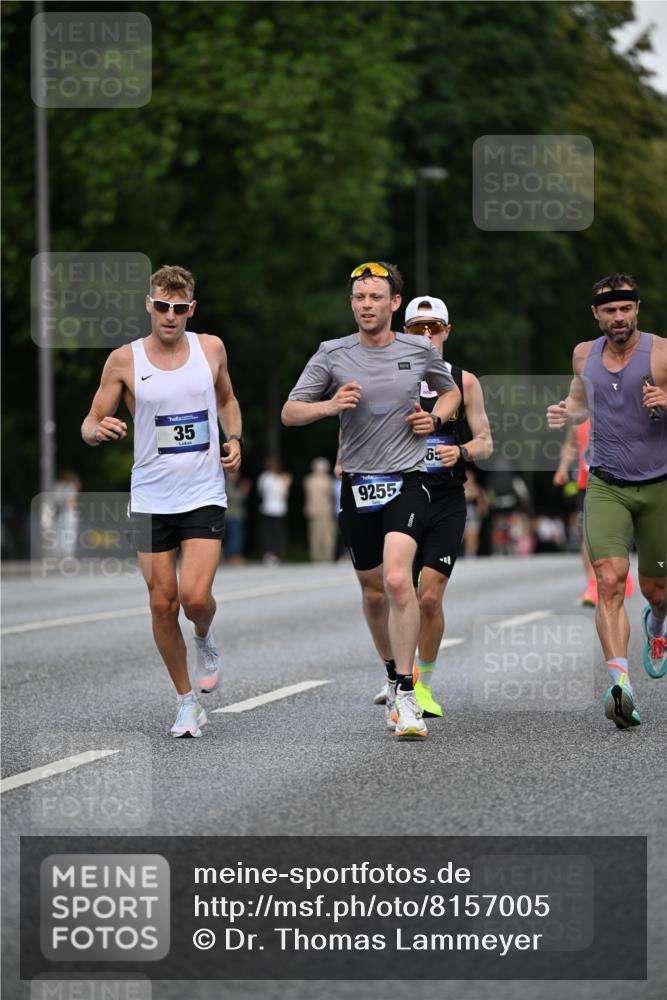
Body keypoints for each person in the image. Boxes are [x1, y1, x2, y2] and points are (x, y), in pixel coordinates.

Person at [282, 262, 461, 739]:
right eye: (360, 297)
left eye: (376, 297)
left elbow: (451, 392)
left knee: (400, 580)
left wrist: (435, 420)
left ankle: (406, 694)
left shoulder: (419, 349)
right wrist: (329, 405)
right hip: (358, 484)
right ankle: (390, 667)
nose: (366, 305)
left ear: (393, 303)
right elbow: (289, 411)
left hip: (407, 478)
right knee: (374, 590)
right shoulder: (332, 353)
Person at [81, 264, 243, 738]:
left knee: (194, 598)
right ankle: (186, 701)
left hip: (203, 491)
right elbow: (90, 421)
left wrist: (233, 438)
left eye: (179, 308)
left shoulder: (210, 348)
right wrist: (98, 432)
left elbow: (229, 401)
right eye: (161, 306)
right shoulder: (124, 361)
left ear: (191, 309)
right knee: (160, 603)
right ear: (148, 305)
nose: (169, 316)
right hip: (151, 496)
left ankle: (205, 635)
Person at [547, 273, 667, 730]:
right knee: (610, 579)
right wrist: (566, 411)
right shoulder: (584, 354)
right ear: (595, 314)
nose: (619, 317)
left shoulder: (660, 352)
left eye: (626, 308)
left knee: (659, 593)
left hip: (660, 484)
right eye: (609, 310)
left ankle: (657, 627)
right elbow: (580, 402)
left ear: (637, 308)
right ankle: (621, 685)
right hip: (606, 482)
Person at [374, 295, 493, 719]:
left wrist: (459, 452)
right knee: (395, 587)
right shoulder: (385, 375)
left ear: (447, 332)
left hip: (445, 497)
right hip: (398, 494)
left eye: (434, 328)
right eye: (418, 328)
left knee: (430, 596)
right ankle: (397, 674)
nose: (427, 335)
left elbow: (486, 442)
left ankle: (420, 684)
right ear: (404, 332)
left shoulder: (466, 381)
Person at [553, 418, 635, 606]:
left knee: (617, 531)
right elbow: (571, 443)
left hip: (617, 480)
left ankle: (623, 572)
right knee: (586, 535)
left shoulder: (616, 408)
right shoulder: (579, 416)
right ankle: (593, 585)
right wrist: (563, 467)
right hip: (587, 483)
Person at [257, 458, 292, 564]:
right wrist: (287, 483)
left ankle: (267, 554)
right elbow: (283, 494)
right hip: (278, 509)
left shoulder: (263, 477)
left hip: (266, 508)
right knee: (277, 533)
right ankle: (275, 554)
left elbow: (260, 492)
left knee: (267, 532)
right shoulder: (280, 479)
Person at [303, 457, 336, 562]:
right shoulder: (328, 481)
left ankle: (316, 557)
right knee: (327, 535)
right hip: (326, 510)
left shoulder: (308, 480)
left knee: (314, 535)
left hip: (312, 510)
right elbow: (331, 496)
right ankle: (327, 557)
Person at [223, 468, 251, 565]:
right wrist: (244, 490)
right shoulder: (227, 485)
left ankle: (233, 555)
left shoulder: (232, 485)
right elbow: (236, 499)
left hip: (236, 515)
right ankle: (232, 556)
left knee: (236, 536)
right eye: (232, 473)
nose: (235, 475)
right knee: (235, 536)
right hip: (231, 515)